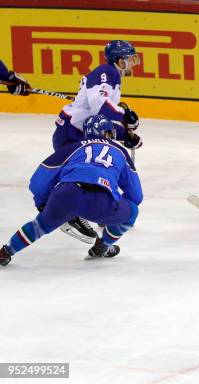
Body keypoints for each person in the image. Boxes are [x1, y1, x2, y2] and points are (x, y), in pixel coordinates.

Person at [0, 115, 143, 267]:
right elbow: (136, 196)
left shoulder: (74, 146)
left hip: (66, 194)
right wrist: (114, 206)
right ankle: (103, 246)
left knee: (40, 225)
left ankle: (5, 252)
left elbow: (39, 180)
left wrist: (43, 204)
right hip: (101, 201)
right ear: (109, 133)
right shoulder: (120, 151)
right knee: (132, 212)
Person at [53, 40, 143, 244]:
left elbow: (99, 119)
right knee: (79, 175)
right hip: (72, 132)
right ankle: (66, 215)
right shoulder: (106, 72)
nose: (132, 62)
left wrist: (124, 133)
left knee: (97, 171)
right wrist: (123, 115)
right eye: (129, 58)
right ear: (119, 60)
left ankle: (98, 211)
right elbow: (99, 107)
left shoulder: (112, 75)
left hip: (77, 130)